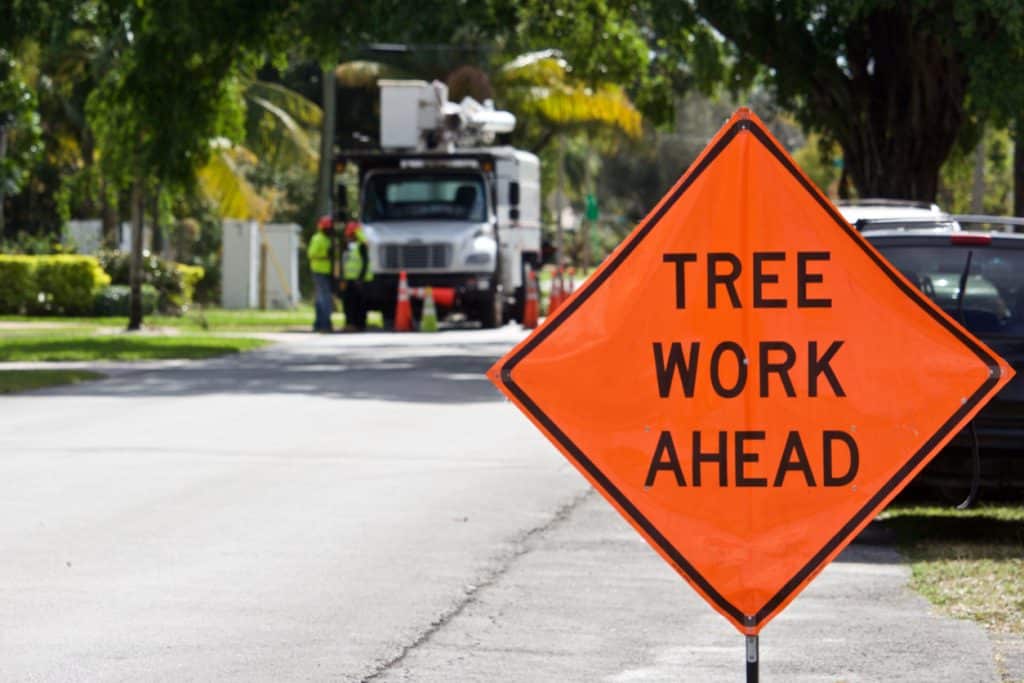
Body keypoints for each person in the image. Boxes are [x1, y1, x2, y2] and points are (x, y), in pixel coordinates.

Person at [340, 220, 373, 331]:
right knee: (349, 303)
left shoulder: (361, 246)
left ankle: (359, 325)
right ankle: (351, 324)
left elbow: (365, 262)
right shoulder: (350, 246)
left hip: (359, 279)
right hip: (350, 279)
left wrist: (360, 278)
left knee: (358, 303)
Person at [307, 215, 335, 332]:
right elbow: (311, 254)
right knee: (325, 297)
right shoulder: (317, 238)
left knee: (321, 298)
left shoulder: (329, 239)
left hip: (328, 272)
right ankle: (325, 323)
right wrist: (325, 255)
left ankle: (318, 323)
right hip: (319, 271)